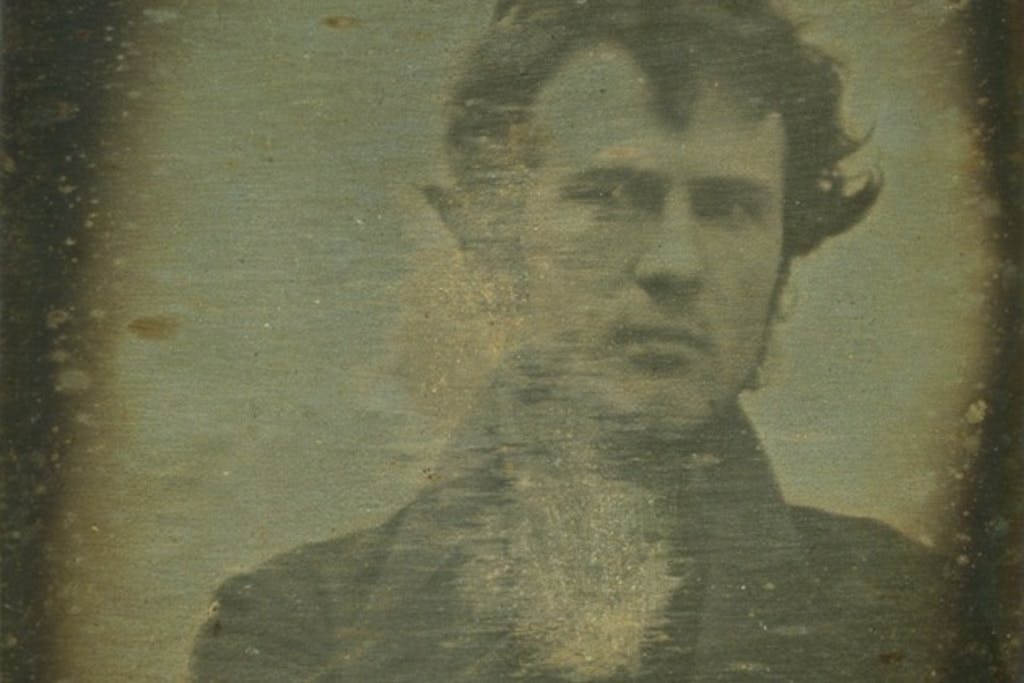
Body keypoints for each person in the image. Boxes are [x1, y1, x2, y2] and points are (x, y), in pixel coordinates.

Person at [191, 1, 956, 680]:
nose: (676, 264)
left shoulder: (903, 615)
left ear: (784, 261)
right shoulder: (301, 629)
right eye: (610, 196)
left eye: (729, 208)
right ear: (492, 242)